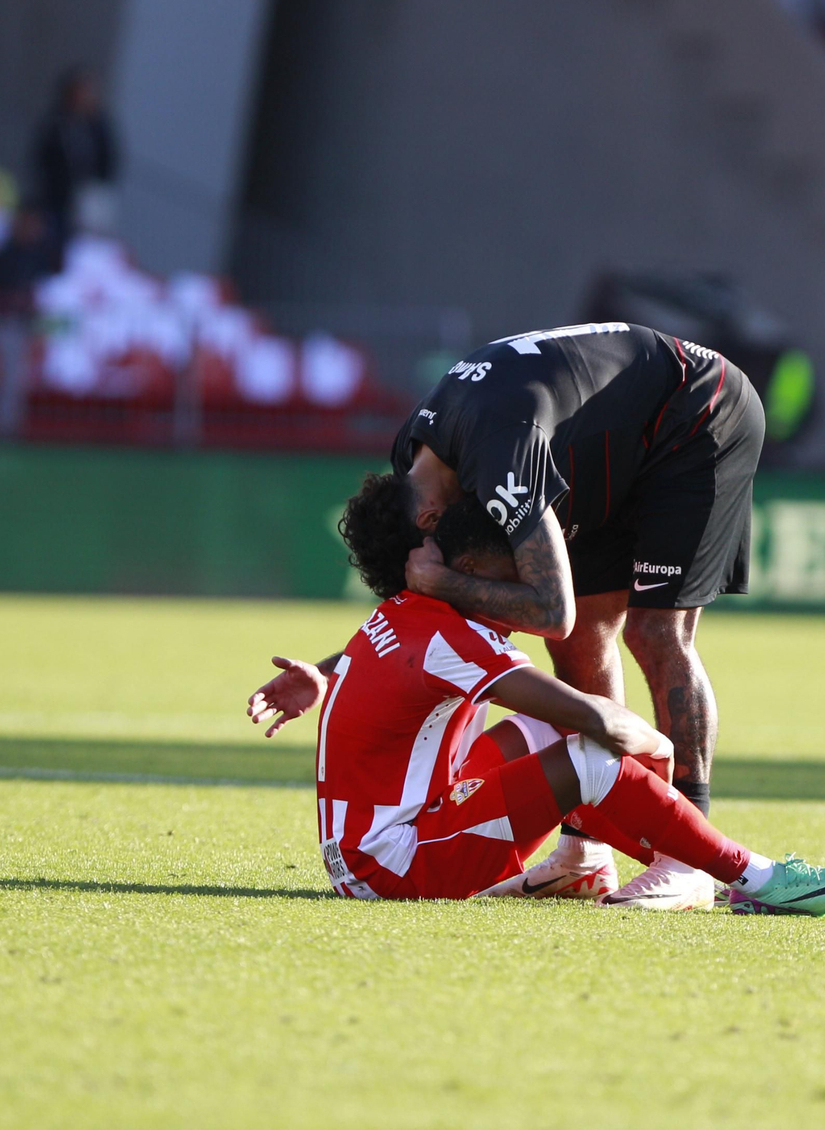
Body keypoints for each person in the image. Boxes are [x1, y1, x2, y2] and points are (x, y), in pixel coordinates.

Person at [275, 323, 765, 909]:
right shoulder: (415, 462)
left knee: (654, 631)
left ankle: (687, 861)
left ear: (430, 522)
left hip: (693, 412)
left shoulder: (500, 456)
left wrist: (445, 580)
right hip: (614, 438)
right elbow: (426, 621)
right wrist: (335, 671)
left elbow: (548, 612)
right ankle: (586, 854)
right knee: (584, 640)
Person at [248, 488, 825, 915]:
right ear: (468, 569)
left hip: (385, 840)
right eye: (511, 573)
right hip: (392, 868)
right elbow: (594, 719)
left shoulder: (411, 611)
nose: (528, 589)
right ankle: (750, 877)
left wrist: (325, 676)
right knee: (593, 754)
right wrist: (657, 743)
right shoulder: (454, 636)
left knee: (548, 736)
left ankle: (599, 866)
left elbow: (390, 669)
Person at [0, 205, 59, 437]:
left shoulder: (43, 254)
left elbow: (48, 289)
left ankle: (16, 425)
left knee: (23, 378)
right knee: (8, 377)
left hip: (32, 323)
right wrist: (13, 301)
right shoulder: (5, 254)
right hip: (7, 322)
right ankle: (3, 428)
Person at [32, 67, 119, 251]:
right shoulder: (56, 123)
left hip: (88, 197)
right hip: (58, 198)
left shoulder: (99, 127)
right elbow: (43, 157)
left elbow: (109, 159)